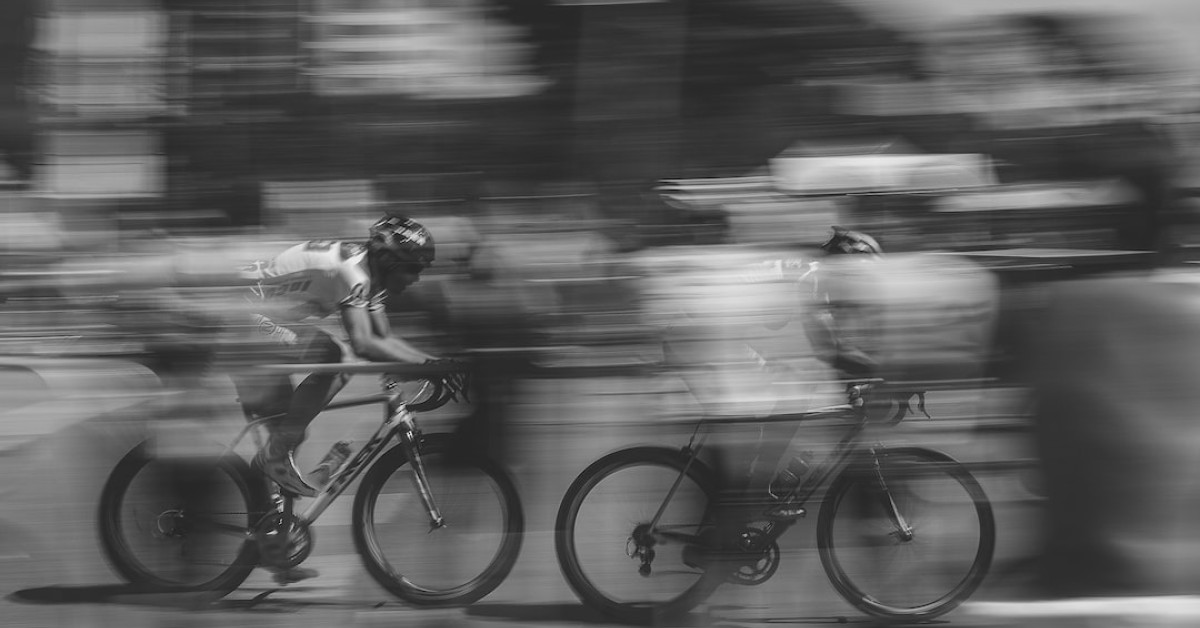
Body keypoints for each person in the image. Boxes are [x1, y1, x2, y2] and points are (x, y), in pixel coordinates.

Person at [233, 215, 445, 499]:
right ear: (389, 260)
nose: (416, 278)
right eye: (413, 268)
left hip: (256, 315)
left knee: (289, 429)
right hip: (241, 317)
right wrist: (430, 368)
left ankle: (269, 526)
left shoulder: (367, 274)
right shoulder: (353, 273)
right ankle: (274, 460)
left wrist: (434, 364)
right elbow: (364, 343)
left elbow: (385, 339)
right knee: (340, 357)